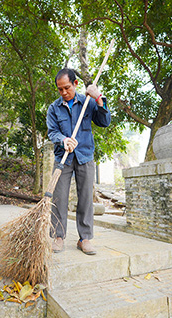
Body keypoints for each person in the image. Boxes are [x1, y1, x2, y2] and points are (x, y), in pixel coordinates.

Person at [46, 68, 111, 255]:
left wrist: (99, 98)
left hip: (85, 156)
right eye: (60, 89)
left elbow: (105, 121)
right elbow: (52, 132)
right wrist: (63, 140)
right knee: (59, 198)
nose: (64, 92)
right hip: (63, 157)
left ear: (75, 84)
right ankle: (58, 236)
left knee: (85, 199)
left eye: (67, 87)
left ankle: (85, 239)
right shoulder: (54, 108)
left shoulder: (88, 103)